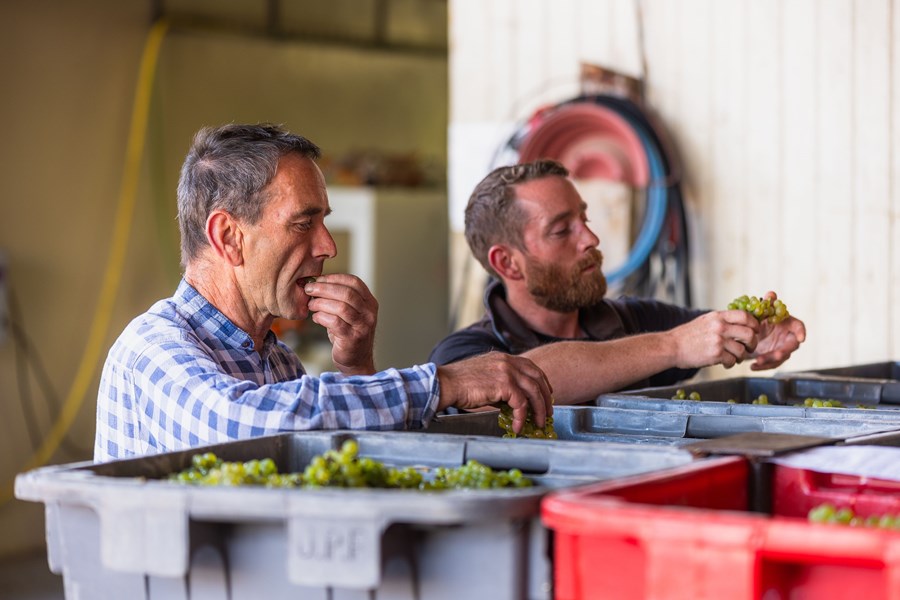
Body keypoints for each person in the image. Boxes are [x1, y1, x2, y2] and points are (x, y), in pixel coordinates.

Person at [94, 124, 554, 462]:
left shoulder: (278, 363)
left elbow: (340, 467)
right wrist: (442, 383)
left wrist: (356, 368)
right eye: (302, 223)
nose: (328, 246)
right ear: (229, 237)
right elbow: (242, 427)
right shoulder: (150, 349)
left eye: (324, 222)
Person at [429, 159, 807, 398]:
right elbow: (531, 379)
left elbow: (709, 334)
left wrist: (758, 334)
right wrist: (673, 346)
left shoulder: (636, 321)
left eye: (585, 220)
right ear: (508, 264)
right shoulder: (461, 358)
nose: (591, 240)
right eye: (562, 231)